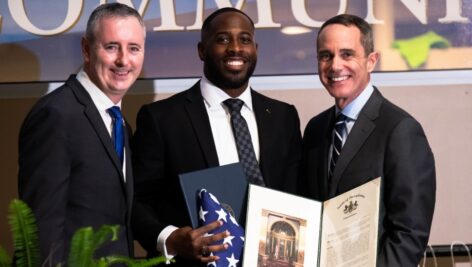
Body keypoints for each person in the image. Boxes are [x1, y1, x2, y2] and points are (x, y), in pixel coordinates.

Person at [131, 7, 302, 266]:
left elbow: (297, 196)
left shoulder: (283, 117)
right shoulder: (162, 118)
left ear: (255, 48)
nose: (235, 48)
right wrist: (171, 238)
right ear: (202, 50)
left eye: (244, 40)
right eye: (223, 39)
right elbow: (137, 201)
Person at [299, 14, 436, 266]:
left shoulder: (401, 130)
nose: (335, 66)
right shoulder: (315, 129)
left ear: (371, 61)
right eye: (326, 55)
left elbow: (409, 234)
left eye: (347, 54)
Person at [18, 3, 145, 265]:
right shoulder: (56, 115)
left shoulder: (120, 123)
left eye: (133, 48)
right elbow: (39, 228)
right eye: (111, 47)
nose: (123, 60)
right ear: (86, 49)